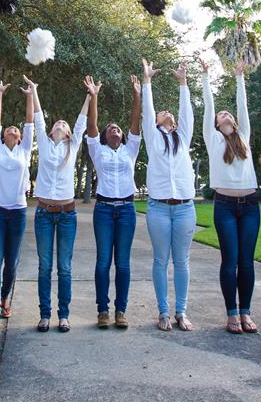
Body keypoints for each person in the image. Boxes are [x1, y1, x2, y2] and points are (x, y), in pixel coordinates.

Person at [200, 59, 261, 334]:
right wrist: (206, 77)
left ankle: (246, 312)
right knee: (230, 259)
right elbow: (209, 107)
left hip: (249, 205)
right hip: (224, 205)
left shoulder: (244, 137)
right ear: (215, 122)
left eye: (228, 113)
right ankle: (232, 313)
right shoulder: (213, 139)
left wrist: (239, 78)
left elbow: (243, 108)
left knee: (246, 261)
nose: (224, 114)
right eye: (220, 114)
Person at [30, 75, 91, 333]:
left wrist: (90, 95)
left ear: (67, 133)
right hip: (43, 213)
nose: (60, 123)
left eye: (64, 124)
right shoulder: (43, 144)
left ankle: (63, 315)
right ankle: (44, 315)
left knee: (64, 267)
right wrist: (33, 91)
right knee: (45, 266)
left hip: (67, 214)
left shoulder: (73, 145)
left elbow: (81, 123)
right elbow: (38, 117)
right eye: (57, 122)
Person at [141, 58, 197, 332]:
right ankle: (163, 312)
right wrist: (147, 81)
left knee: (182, 261)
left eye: (167, 111)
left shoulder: (182, 139)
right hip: (159, 208)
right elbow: (147, 112)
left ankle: (181, 312)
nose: (166, 112)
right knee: (161, 260)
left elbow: (187, 115)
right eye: (161, 111)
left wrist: (183, 83)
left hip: (185, 208)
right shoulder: (153, 139)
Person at [86, 75, 142, 330]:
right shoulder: (98, 150)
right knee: (103, 262)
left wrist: (136, 94)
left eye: (117, 128)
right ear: (105, 136)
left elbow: (135, 123)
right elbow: (93, 125)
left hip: (127, 210)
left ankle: (121, 310)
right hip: (104, 210)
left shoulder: (131, 150)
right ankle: (102, 310)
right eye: (110, 128)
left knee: (123, 262)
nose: (114, 129)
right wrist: (94, 96)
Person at [0, 79, 35, 331]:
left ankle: (4, 300)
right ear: (3, 135)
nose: (12, 129)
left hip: (17, 212)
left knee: (11, 262)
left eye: (16, 129)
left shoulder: (25, 150)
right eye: (8, 129)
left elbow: (29, 121)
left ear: (21, 137)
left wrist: (30, 95)